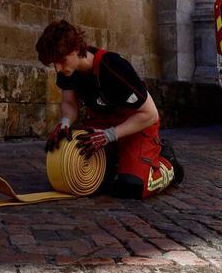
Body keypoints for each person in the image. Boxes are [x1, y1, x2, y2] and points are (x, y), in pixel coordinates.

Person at [36, 20, 183, 199]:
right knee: (98, 183)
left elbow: (150, 114)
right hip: (101, 128)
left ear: (75, 49)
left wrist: (109, 135)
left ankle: (169, 163)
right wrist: (64, 122)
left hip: (135, 127)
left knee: (131, 187)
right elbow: (69, 103)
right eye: (54, 63)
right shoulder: (68, 71)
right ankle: (116, 162)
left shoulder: (112, 67)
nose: (58, 68)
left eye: (61, 60)